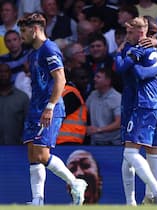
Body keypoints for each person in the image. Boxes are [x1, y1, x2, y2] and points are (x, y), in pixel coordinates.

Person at [18, 13, 87, 205]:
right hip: (35, 109)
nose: (21, 35)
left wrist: (50, 107)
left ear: (35, 29)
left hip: (50, 108)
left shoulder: (49, 49)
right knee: (33, 155)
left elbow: (61, 79)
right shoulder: (32, 54)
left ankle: (75, 183)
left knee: (42, 155)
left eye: (23, 31)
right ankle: (37, 200)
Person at [115, 16, 157, 206]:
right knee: (153, 154)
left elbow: (126, 70)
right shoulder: (156, 49)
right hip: (155, 103)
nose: (126, 36)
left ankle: (155, 191)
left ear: (142, 32)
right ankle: (141, 201)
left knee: (130, 153)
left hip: (140, 104)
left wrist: (118, 53)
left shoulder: (136, 49)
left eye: (130, 32)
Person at [86, 67, 122, 145]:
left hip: (113, 144)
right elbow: (84, 113)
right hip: (94, 142)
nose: (94, 79)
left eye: (98, 77)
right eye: (95, 76)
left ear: (108, 81)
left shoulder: (117, 98)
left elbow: (119, 123)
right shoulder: (92, 95)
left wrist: (98, 130)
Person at [0, 63, 29, 145]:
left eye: (6, 72)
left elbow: (28, 123)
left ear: (11, 74)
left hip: (17, 148)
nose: (3, 75)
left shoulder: (22, 97)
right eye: (0, 72)